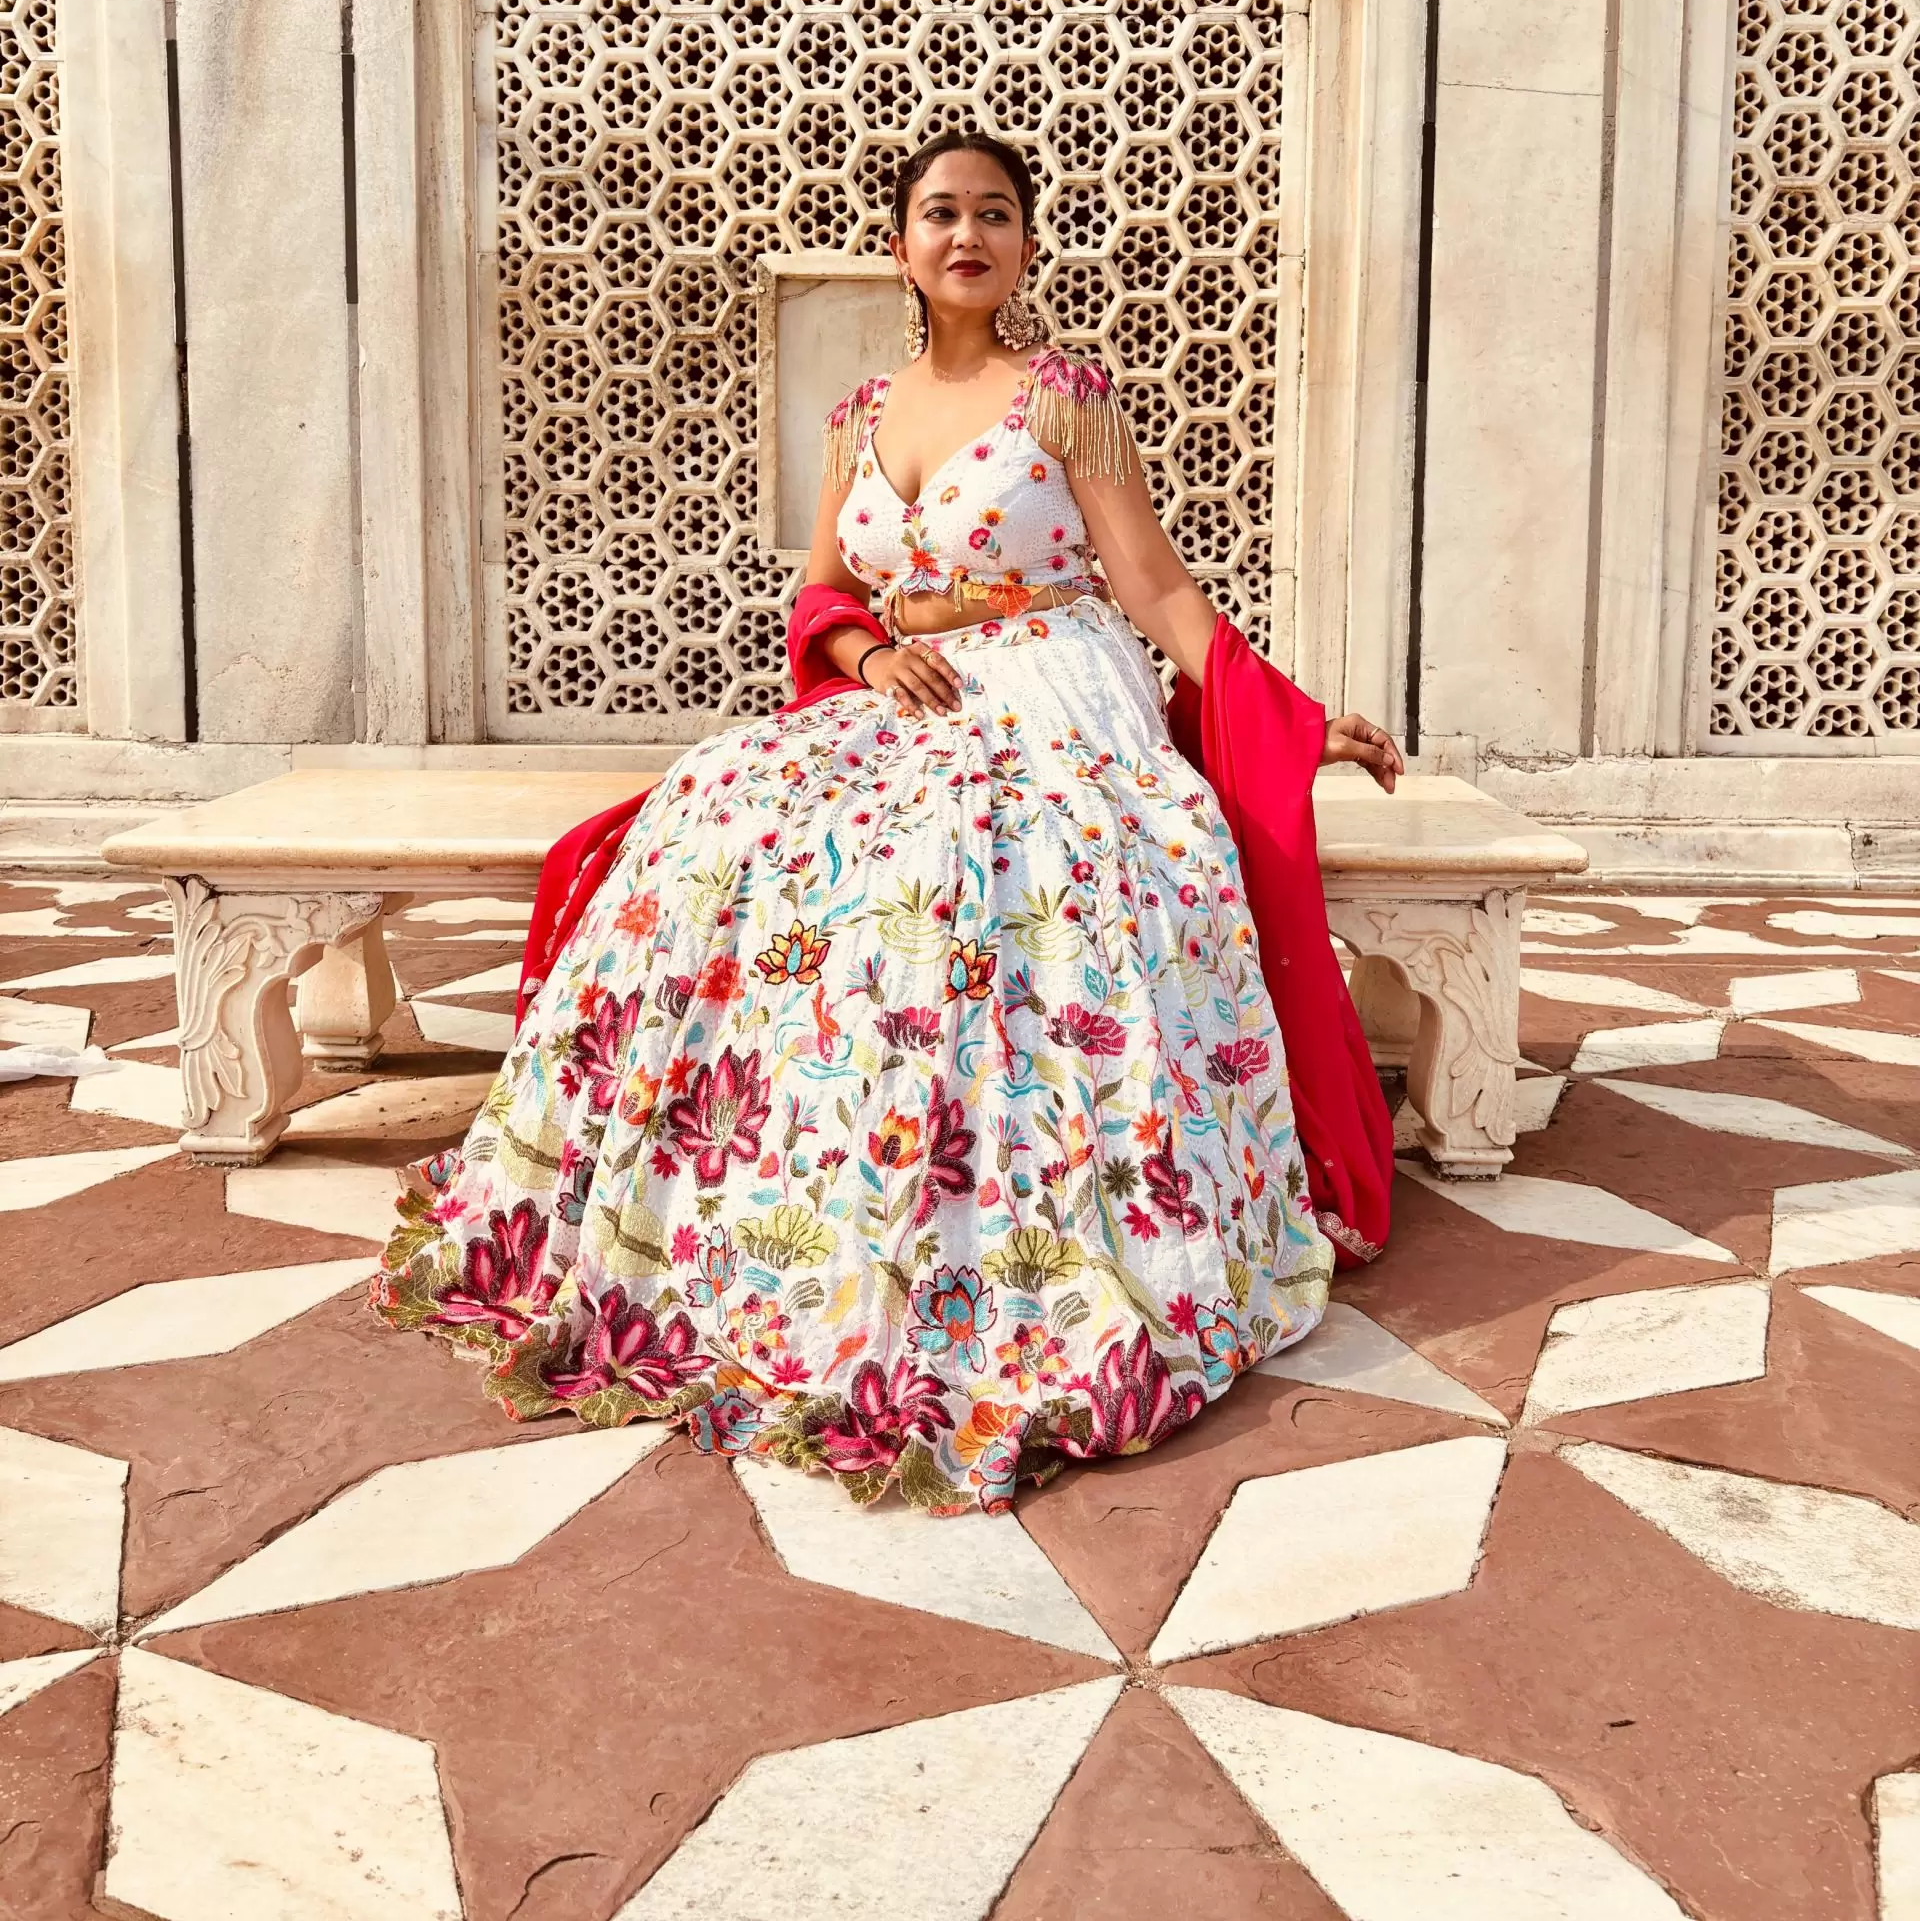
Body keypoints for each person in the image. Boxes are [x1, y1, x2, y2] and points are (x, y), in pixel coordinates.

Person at [370, 131, 1404, 1514]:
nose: (965, 232)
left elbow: (1154, 588)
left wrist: (1287, 709)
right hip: (901, 692)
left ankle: (1000, 1232)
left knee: (979, 872)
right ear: (902, 245)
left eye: (993, 213)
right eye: (938, 213)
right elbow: (820, 597)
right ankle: (747, 1223)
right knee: (727, 826)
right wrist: (865, 660)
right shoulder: (858, 412)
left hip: (1050, 688)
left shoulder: (1064, 400)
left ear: (1025, 244)